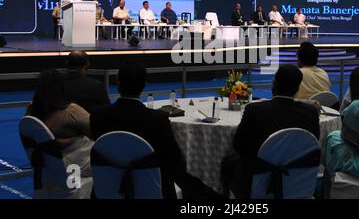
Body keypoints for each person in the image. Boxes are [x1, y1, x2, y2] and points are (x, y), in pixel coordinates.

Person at [90, 62, 214, 199]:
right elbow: (174, 160)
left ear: (118, 84)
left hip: (107, 188)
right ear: (144, 85)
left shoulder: (97, 115)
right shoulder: (158, 119)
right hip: (153, 190)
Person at [230, 64, 320, 198]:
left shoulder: (254, 111)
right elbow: (313, 143)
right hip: (299, 186)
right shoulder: (311, 113)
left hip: (258, 186)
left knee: (231, 160)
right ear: (297, 88)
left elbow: (238, 146)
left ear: (274, 84)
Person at [26, 69, 93, 179]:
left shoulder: (30, 111)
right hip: (73, 167)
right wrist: (71, 140)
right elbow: (98, 132)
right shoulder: (71, 111)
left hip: (45, 167)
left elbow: (40, 140)